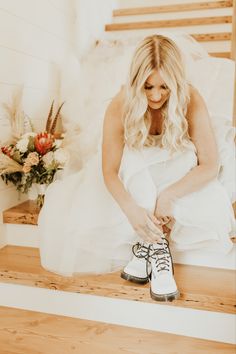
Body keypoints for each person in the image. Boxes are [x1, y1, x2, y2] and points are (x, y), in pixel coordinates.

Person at [38, 34, 235, 302]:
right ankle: (155, 242)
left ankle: (150, 244)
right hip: (135, 176)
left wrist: (169, 196)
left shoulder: (191, 99)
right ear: (135, 83)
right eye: (147, 87)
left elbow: (209, 165)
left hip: (176, 174)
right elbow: (109, 171)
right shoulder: (120, 104)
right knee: (133, 162)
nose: (156, 95)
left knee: (185, 157)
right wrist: (132, 211)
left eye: (165, 87)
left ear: (176, 82)